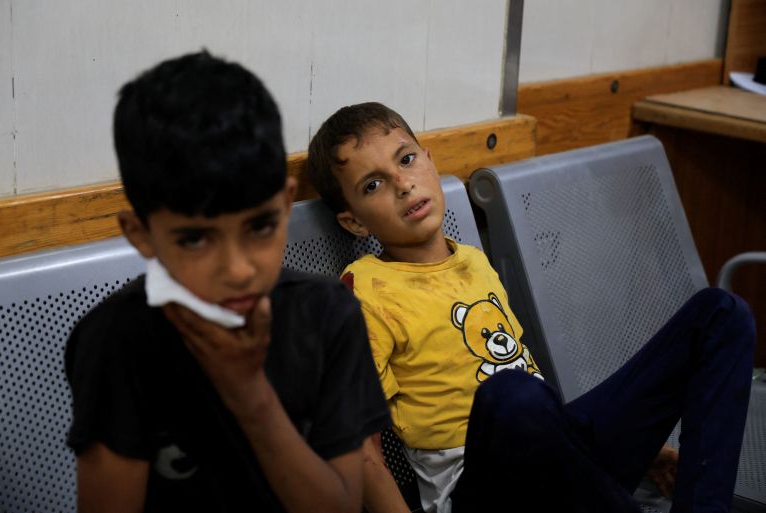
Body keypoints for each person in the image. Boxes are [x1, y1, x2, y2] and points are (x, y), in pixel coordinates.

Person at [305, 101, 756, 513]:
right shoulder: (368, 291)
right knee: (511, 394)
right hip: (484, 489)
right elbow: (359, 446)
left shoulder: (472, 261)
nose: (403, 185)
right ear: (353, 220)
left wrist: (640, 450)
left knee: (720, 315)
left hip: (557, 462)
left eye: (406, 159)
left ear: (430, 160)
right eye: (374, 184)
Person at [64, 52, 389, 513]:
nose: (237, 269)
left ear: (286, 202)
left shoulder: (326, 314)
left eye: (259, 227)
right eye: (195, 239)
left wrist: (250, 396)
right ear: (140, 235)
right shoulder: (118, 340)